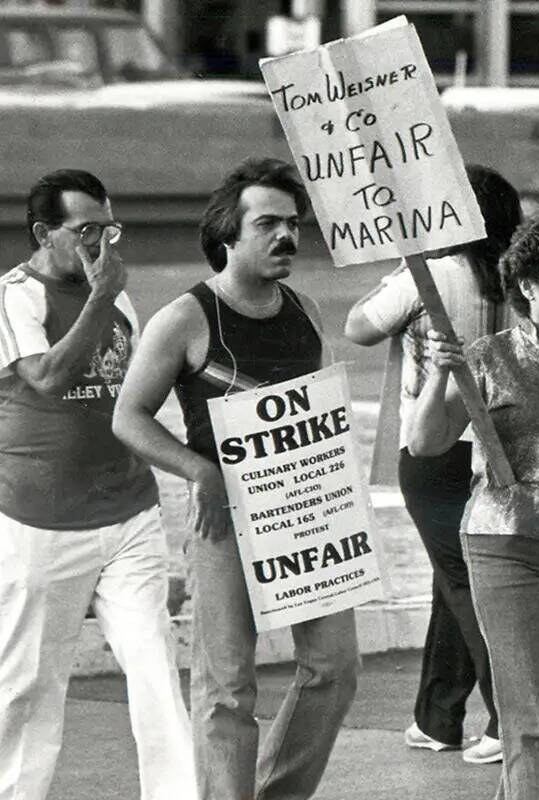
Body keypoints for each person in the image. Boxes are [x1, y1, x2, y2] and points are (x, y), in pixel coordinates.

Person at [112, 157, 359, 800]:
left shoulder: (304, 309)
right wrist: (200, 473)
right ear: (229, 232)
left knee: (334, 667)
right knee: (226, 687)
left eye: (293, 224)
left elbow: (321, 415)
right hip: (224, 519)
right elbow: (128, 417)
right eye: (268, 223)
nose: (286, 236)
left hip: (306, 516)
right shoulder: (187, 318)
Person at [0, 169, 194, 799]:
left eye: (109, 229)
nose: (103, 246)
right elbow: (46, 378)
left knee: (156, 670)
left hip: (127, 514)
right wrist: (97, 298)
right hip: (37, 522)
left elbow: (136, 392)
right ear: (44, 232)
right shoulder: (8, 299)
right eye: (87, 231)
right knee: (25, 685)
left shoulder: (116, 296)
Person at [410, 212, 539, 800]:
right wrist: (437, 376)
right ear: (528, 285)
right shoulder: (485, 357)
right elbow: (426, 443)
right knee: (534, 724)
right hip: (504, 549)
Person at [343, 164, 522, 765]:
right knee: (455, 579)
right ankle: (438, 715)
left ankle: (509, 716)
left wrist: (405, 263)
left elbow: (359, 327)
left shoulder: (433, 273)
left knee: (463, 580)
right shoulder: (519, 277)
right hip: (503, 445)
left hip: (435, 443)